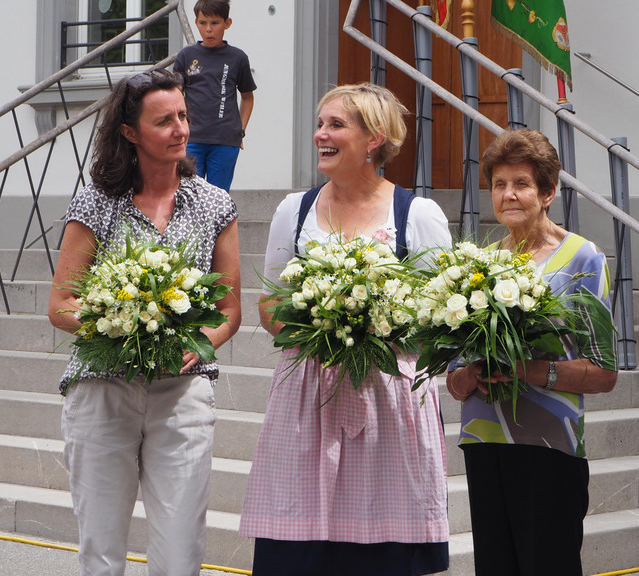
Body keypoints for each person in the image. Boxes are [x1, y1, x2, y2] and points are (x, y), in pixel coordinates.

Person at [239, 83, 451, 576]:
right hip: (307, 394)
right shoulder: (294, 211)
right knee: (298, 554)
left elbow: (441, 317)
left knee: (380, 558)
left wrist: (374, 329)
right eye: (320, 124)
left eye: (335, 125)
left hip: (388, 399)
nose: (320, 134)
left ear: (374, 138)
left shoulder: (417, 216)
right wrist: (319, 330)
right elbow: (269, 304)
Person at [47, 69, 242, 576]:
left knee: (180, 555)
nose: (181, 129)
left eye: (183, 116)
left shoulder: (214, 203)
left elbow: (229, 311)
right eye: (164, 121)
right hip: (102, 387)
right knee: (101, 553)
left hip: (183, 391)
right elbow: (61, 303)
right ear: (130, 132)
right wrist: (119, 327)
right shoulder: (96, 202)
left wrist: (201, 342)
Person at [445, 129, 619, 576]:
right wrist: (468, 375)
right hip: (485, 442)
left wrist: (530, 370)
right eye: (499, 184)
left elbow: (604, 372)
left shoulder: (583, 258)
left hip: (549, 445)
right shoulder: (479, 265)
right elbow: (455, 378)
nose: (508, 194)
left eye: (521, 183)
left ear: (547, 193)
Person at [173, 0, 256, 192]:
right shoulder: (186, 56)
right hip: (191, 139)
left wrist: (241, 130)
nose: (208, 29)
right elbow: (174, 96)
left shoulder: (238, 58)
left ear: (227, 23)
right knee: (188, 193)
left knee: (219, 196)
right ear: (196, 23)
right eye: (203, 23)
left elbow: (248, 97)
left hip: (225, 140)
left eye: (215, 23)